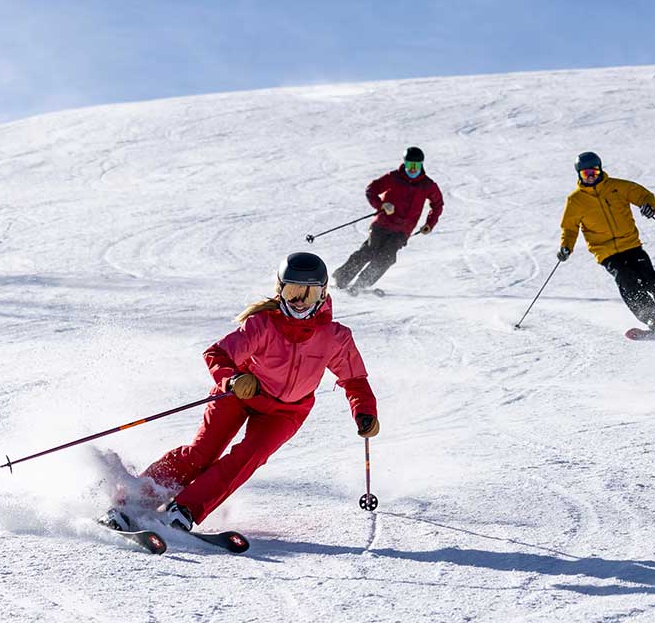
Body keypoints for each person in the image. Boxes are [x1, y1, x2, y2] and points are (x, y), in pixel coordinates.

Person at [106, 252, 379, 531]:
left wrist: (365, 412)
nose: (298, 302)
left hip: (287, 411)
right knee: (202, 453)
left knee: (248, 458)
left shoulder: (334, 337)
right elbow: (217, 354)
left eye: (307, 295)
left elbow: (355, 379)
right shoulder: (262, 325)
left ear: (322, 295)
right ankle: (134, 501)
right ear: (279, 289)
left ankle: (185, 509)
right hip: (240, 395)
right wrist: (233, 380)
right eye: (292, 291)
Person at [557, 151, 655, 333]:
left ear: (600, 170)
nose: (590, 177)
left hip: (631, 245)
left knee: (650, 278)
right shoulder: (575, 201)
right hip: (606, 252)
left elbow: (643, 195)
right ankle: (653, 319)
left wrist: (648, 206)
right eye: (585, 174)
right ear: (579, 175)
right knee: (626, 280)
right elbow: (570, 228)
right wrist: (566, 247)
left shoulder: (617, 187)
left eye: (594, 173)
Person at [333, 146, 444, 292]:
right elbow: (371, 190)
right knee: (370, 250)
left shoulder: (427, 185)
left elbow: (437, 204)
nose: (412, 169)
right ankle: (341, 278)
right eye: (410, 165)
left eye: (416, 166)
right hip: (382, 224)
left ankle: (361, 284)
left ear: (422, 165)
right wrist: (381, 205)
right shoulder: (394, 178)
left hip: (403, 231)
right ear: (405, 163)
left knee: (387, 257)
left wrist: (430, 224)